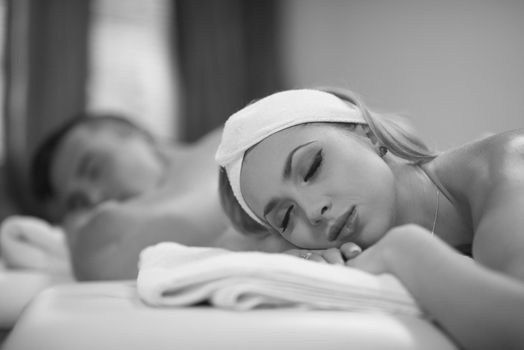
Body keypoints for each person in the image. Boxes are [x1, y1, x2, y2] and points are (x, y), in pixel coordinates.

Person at [215, 88, 524, 350]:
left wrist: (402, 251)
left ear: (368, 133)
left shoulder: (507, 166)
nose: (312, 211)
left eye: (311, 168)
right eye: (285, 217)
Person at [26, 113, 293, 280]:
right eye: (79, 202)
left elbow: (104, 249)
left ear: (134, 135)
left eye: (94, 169)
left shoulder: (240, 141)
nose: (96, 199)